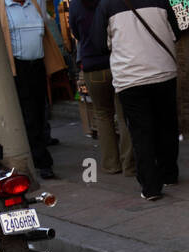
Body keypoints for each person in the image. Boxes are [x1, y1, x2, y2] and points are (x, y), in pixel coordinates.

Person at [92, 0, 179, 200]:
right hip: (163, 71)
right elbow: (176, 33)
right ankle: (169, 174)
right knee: (167, 125)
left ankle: (150, 187)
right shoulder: (161, 1)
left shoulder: (106, 6)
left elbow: (98, 44)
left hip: (130, 78)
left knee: (141, 131)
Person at [68, 0, 133, 176]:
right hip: (117, 62)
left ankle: (112, 164)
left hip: (92, 66)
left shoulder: (75, 5)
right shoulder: (111, 2)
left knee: (103, 115)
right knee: (124, 114)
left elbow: (76, 33)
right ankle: (130, 165)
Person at [2, 0, 56, 179]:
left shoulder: (34, 4)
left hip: (38, 65)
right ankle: (42, 162)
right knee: (30, 115)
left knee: (40, 112)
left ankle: (39, 155)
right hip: (19, 67)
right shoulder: (3, 7)